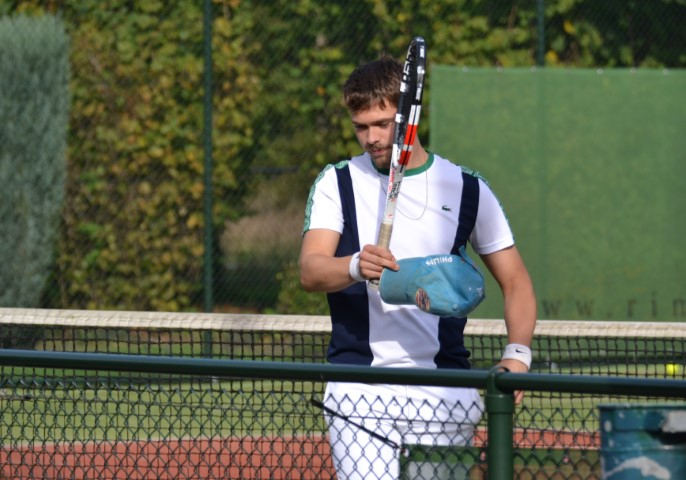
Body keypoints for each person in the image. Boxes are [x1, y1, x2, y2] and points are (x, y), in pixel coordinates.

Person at [299, 53, 537, 480]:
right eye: (360, 127)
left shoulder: (466, 188)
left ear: (410, 116)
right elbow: (311, 270)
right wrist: (355, 266)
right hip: (358, 390)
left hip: (446, 392)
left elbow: (516, 281)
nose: (371, 138)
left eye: (381, 124)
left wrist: (517, 356)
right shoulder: (337, 182)